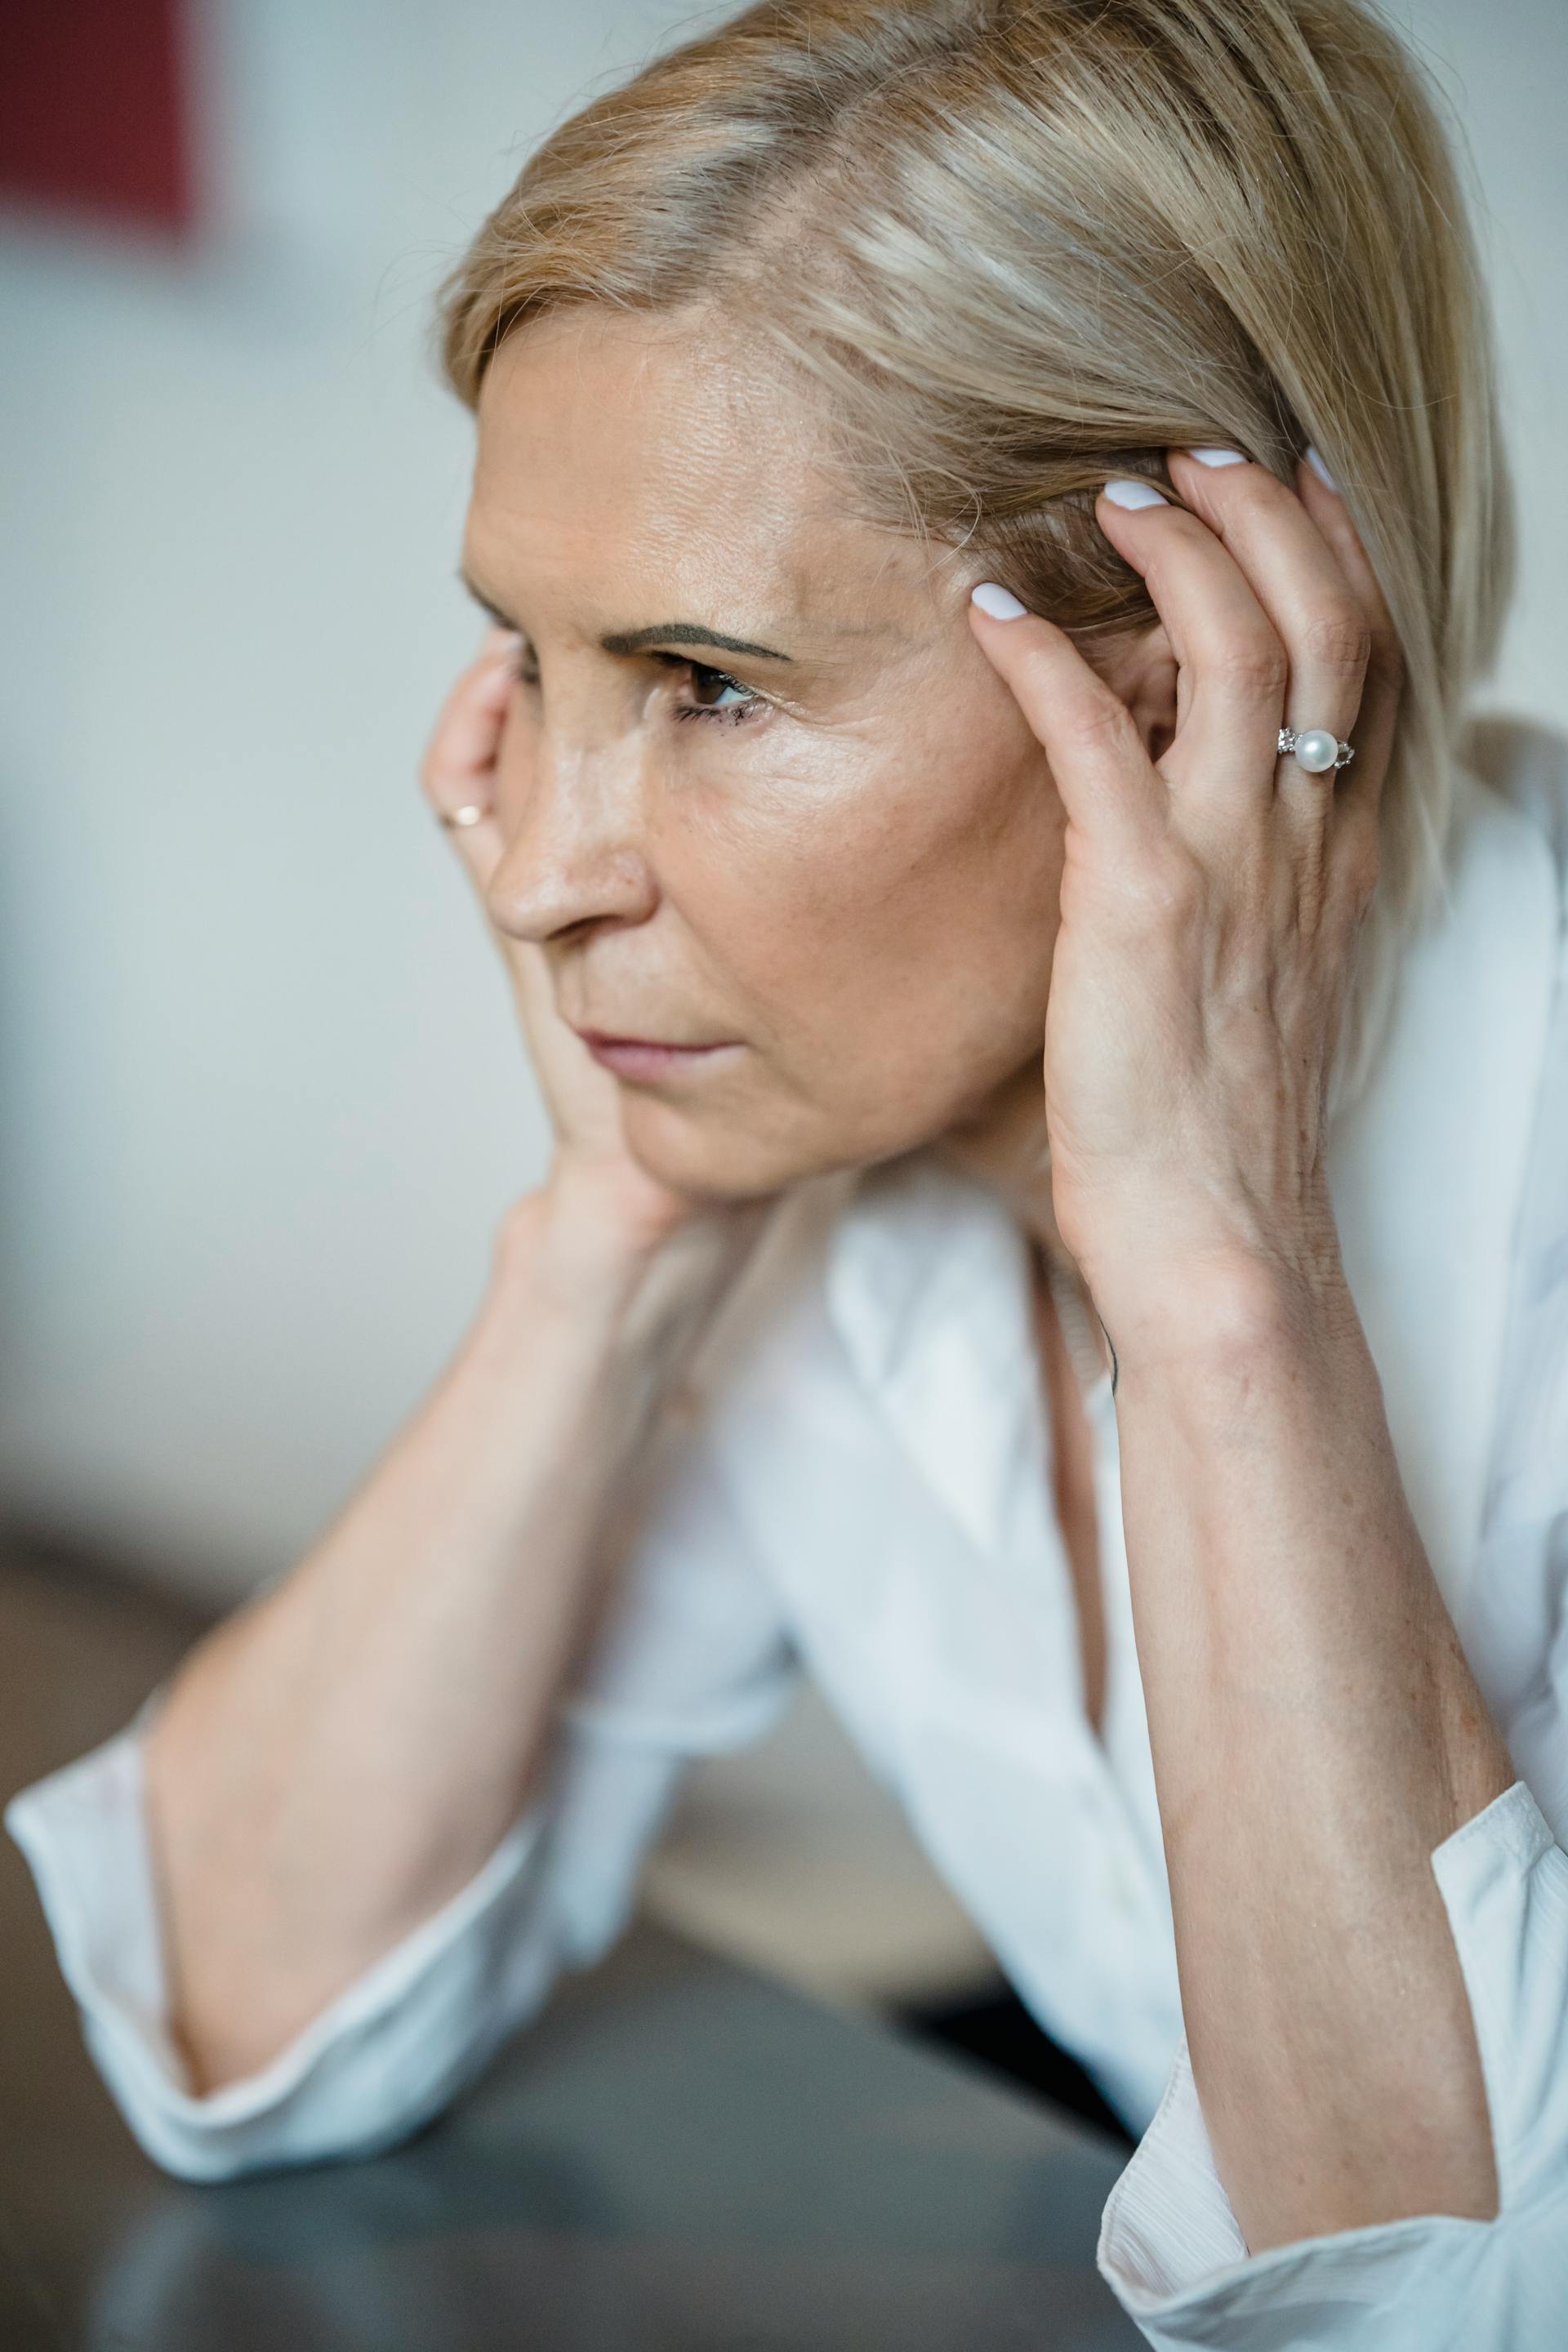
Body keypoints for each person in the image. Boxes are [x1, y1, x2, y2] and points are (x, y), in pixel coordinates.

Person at [8, 0, 1568, 2341]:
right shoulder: (837, 1165)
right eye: (526, 667)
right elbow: (241, 2020)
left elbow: (1459, 2315)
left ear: (1190, 685)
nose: (535, 867)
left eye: (708, 687)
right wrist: (613, 1235)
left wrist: (1227, 1290)